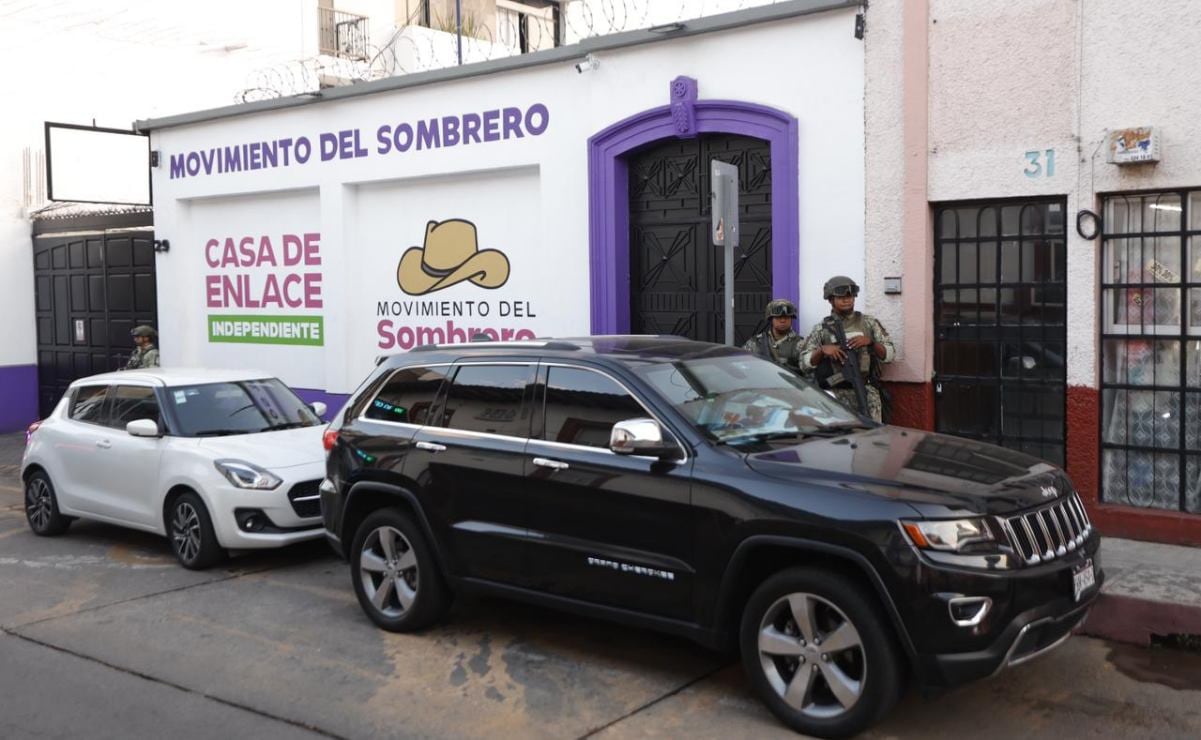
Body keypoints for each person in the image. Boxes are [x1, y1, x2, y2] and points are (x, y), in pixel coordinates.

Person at [799, 276, 894, 422]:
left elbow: (889, 355)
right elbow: (804, 364)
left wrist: (871, 343)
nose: (846, 300)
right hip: (834, 395)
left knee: (871, 433)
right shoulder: (821, 329)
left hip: (866, 392)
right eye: (841, 297)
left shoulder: (869, 323)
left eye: (850, 296)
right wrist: (822, 351)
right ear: (830, 299)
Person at [742, 298, 803, 371]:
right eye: (778, 317)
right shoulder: (757, 342)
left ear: (791, 319)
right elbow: (742, 365)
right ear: (771, 319)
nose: (783, 320)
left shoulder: (801, 344)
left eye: (786, 317)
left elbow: (808, 373)